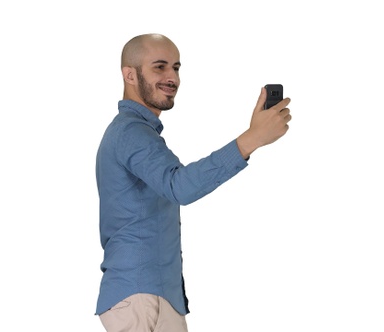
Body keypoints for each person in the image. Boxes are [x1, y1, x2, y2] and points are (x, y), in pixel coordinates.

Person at [95, 33, 292, 332]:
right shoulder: (130, 133)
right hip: (139, 298)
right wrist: (251, 139)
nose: (172, 77)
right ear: (129, 75)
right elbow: (180, 187)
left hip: (153, 296)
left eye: (176, 67)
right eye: (159, 67)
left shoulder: (139, 134)